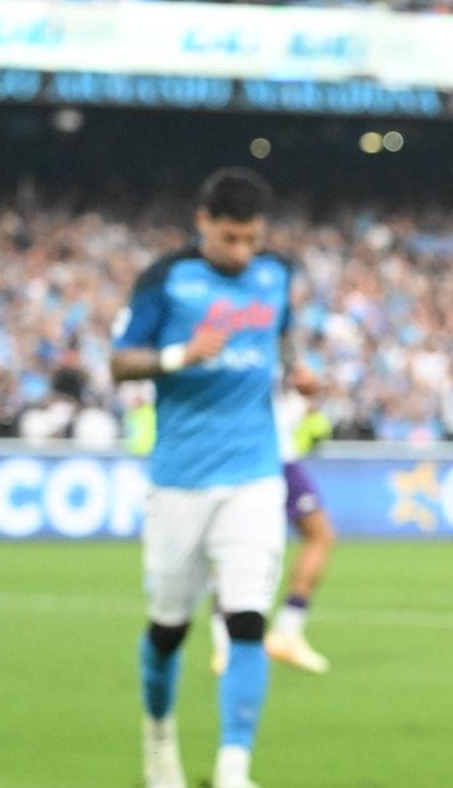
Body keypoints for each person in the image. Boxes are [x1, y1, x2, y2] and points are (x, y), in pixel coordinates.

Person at [113, 168, 314, 788]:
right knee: (169, 628)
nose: (241, 252)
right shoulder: (166, 279)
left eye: (251, 239)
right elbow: (121, 362)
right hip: (179, 478)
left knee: (247, 616)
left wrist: (298, 373)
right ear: (202, 221)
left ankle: (234, 769)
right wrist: (179, 355)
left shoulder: (277, 274)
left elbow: (282, 344)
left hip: (254, 474)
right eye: (230, 238)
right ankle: (158, 739)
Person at [211, 389, 337, 675]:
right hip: (262, 455)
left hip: (268, 453)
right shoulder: (256, 345)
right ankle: (232, 644)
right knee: (236, 544)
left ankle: (282, 634)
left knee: (318, 536)